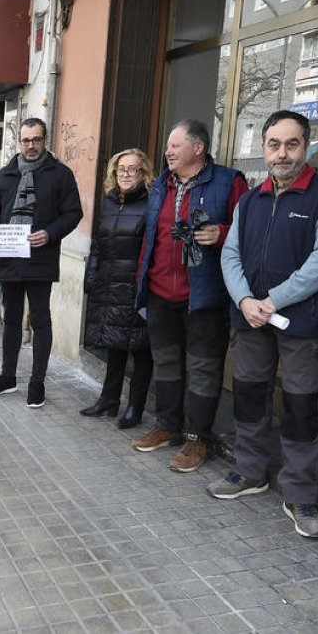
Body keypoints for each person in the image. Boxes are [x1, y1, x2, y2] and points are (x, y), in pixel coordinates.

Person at [208, 110, 318, 540]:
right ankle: (250, 473)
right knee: (249, 398)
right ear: (263, 148)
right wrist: (246, 300)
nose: (282, 153)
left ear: (306, 147)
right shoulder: (250, 200)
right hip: (251, 319)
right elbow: (229, 255)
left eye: (291, 144)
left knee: (302, 408)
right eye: (274, 144)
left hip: (302, 324)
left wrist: (272, 300)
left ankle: (300, 494)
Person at [131, 120, 248, 473]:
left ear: (198, 148)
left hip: (205, 295)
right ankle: (167, 424)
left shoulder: (229, 181)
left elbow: (250, 230)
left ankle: (198, 438)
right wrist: (143, 284)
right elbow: (151, 237)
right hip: (159, 292)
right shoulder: (160, 185)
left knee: (202, 368)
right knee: (165, 362)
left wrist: (223, 232)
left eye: (174, 146)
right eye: (168, 146)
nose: (167, 152)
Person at [0, 118, 83, 407]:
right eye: (25, 140)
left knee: (40, 319)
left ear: (45, 139)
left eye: (36, 139)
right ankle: (7, 377)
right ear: (18, 142)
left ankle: (37, 383)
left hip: (41, 257)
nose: (31, 145)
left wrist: (50, 234)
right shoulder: (5, 175)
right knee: (11, 319)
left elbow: (73, 213)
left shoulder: (61, 174)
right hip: (8, 255)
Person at [80, 149, 155, 422]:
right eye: (120, 169)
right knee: (114, 345)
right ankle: (108, 400)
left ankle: (135, 406)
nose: (125, 174)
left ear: (143, 173)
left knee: (140, 349)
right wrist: (91, 277)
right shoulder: (110, 203)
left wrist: (145, 287)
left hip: (136, 286)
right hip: (109, 284)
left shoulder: (151, 203)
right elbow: (98, 245)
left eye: (132, 169)